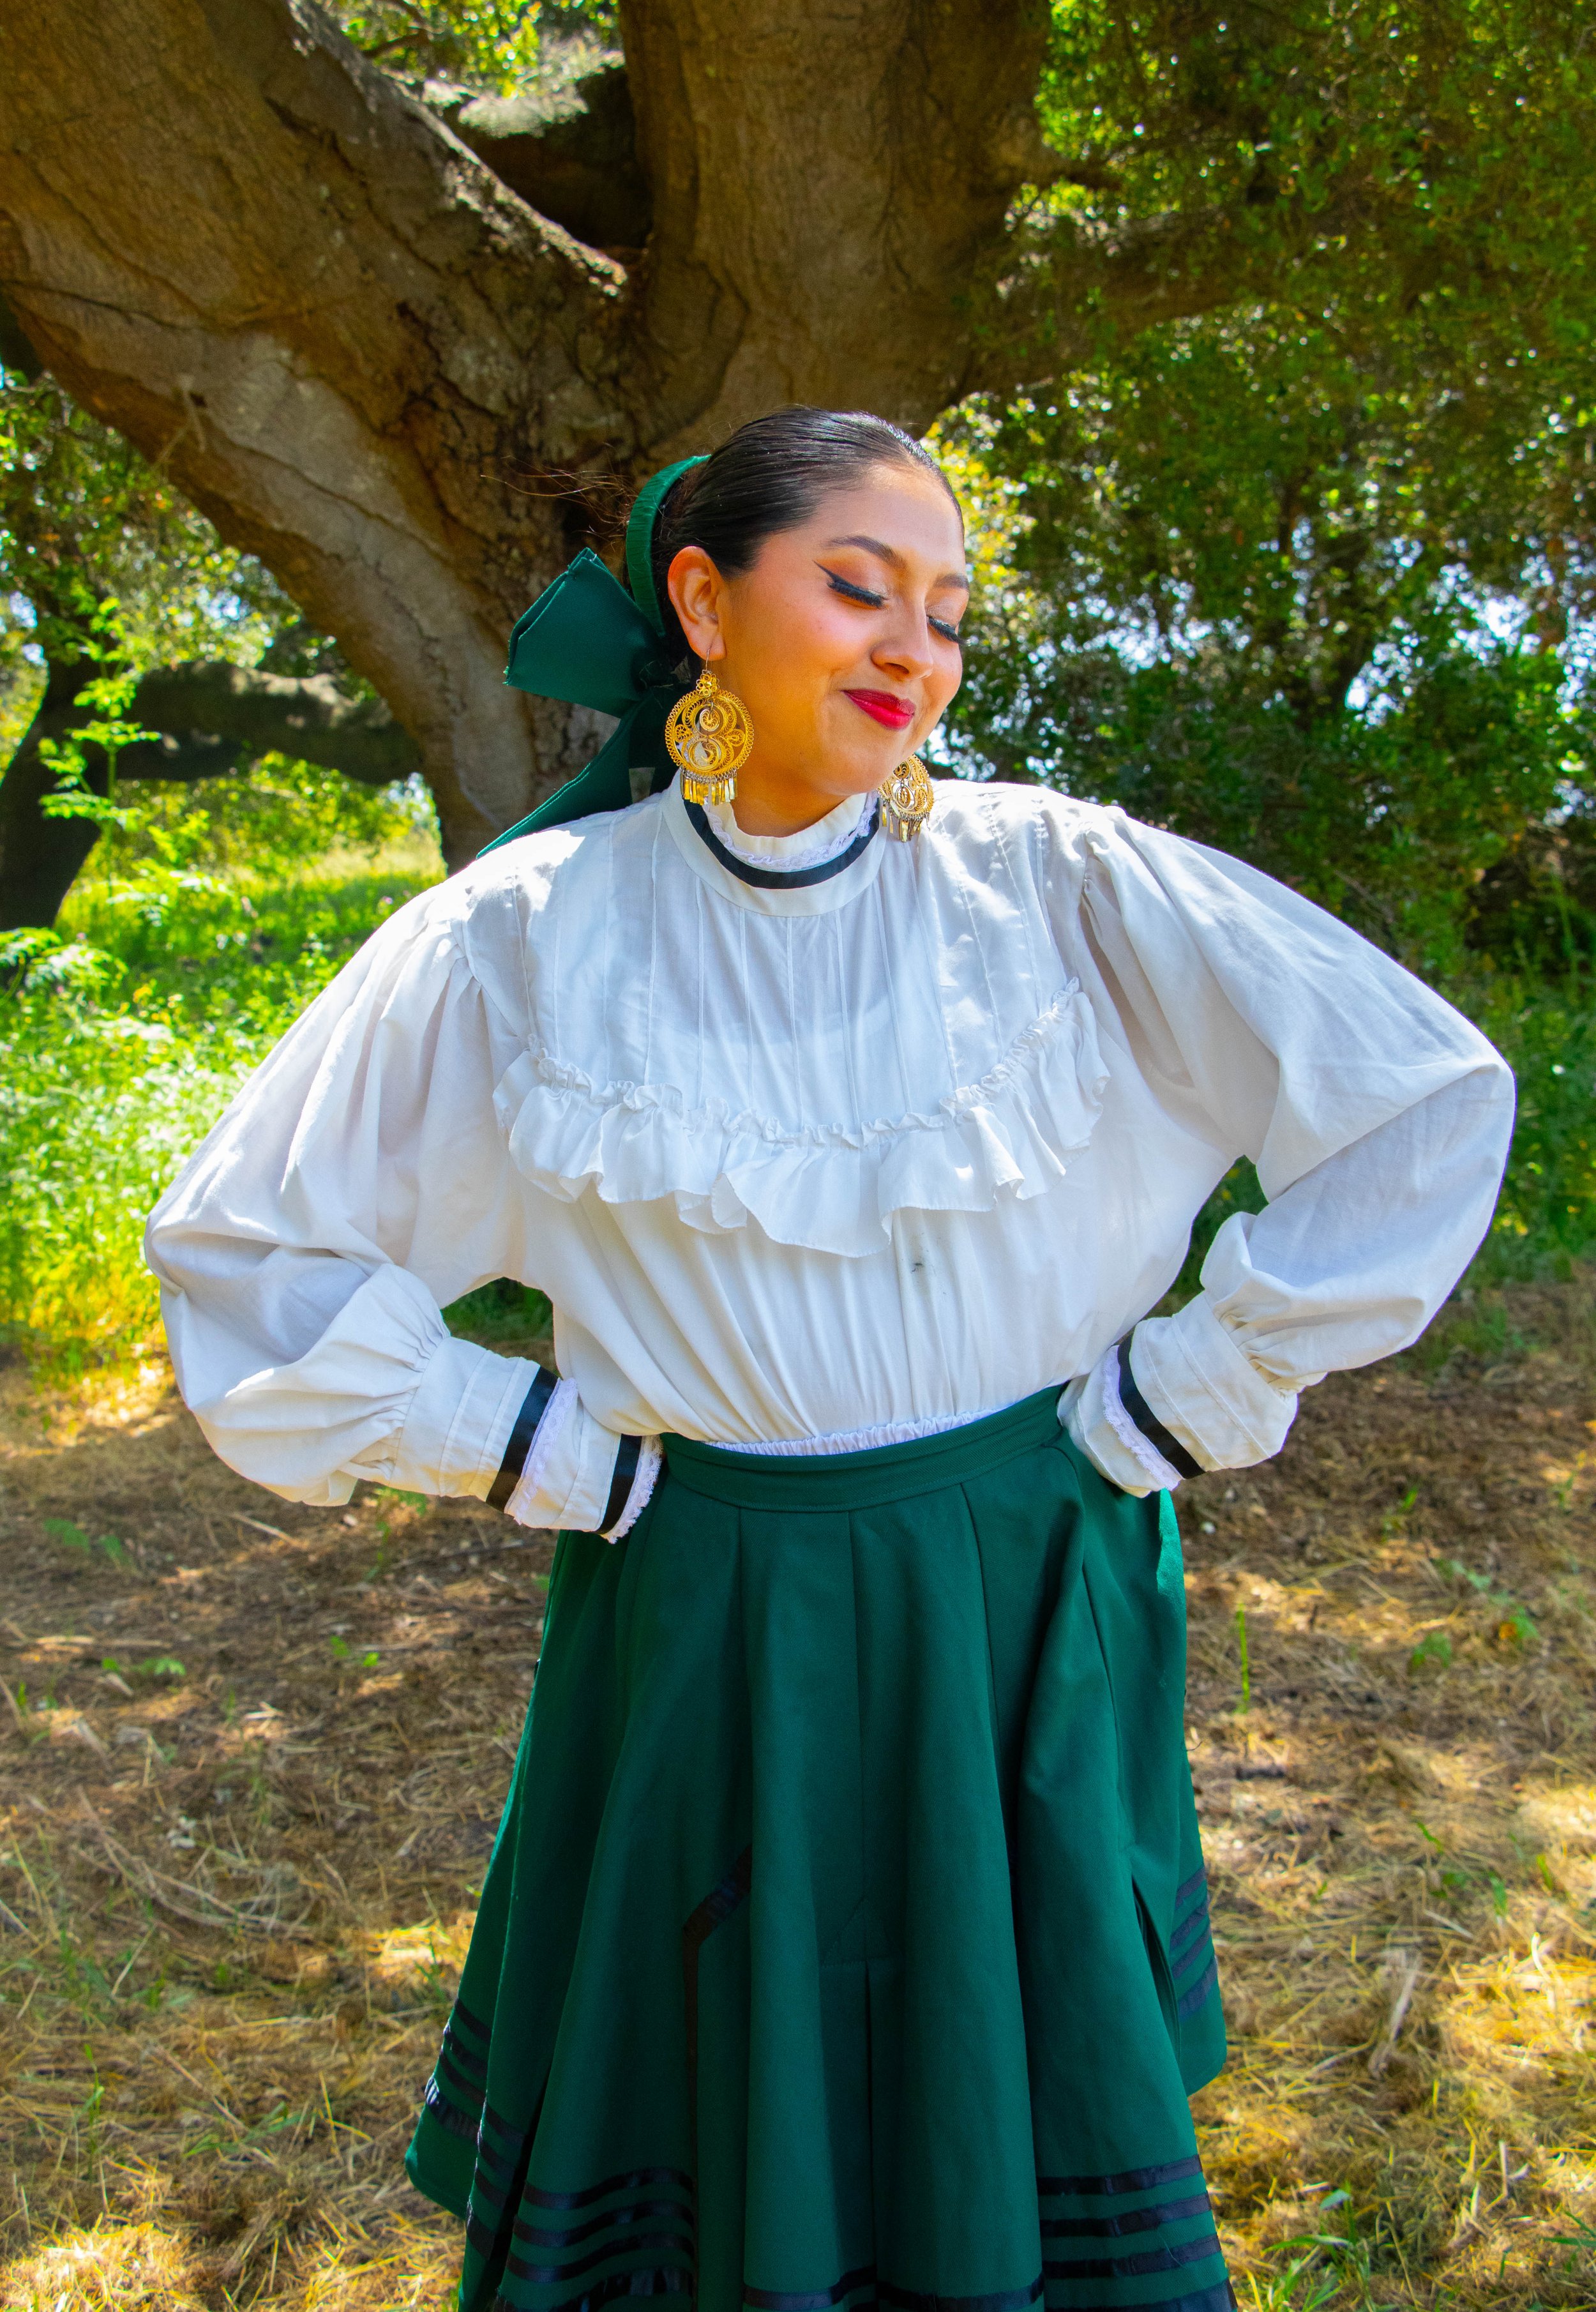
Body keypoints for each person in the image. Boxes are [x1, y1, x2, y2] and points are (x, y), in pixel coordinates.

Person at [146, 407, 1514, 2312]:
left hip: (1015, 1580)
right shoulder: (528, 938)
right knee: (719, 2117)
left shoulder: (1063, 888)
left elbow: (1420, 1103)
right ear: (701, 602)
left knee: (1005, 2100)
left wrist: (1185, 1388)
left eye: (945, 614)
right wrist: (528, 1442)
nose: (911, 652)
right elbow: (245, 1248)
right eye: (857, 590)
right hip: (700, 1598)